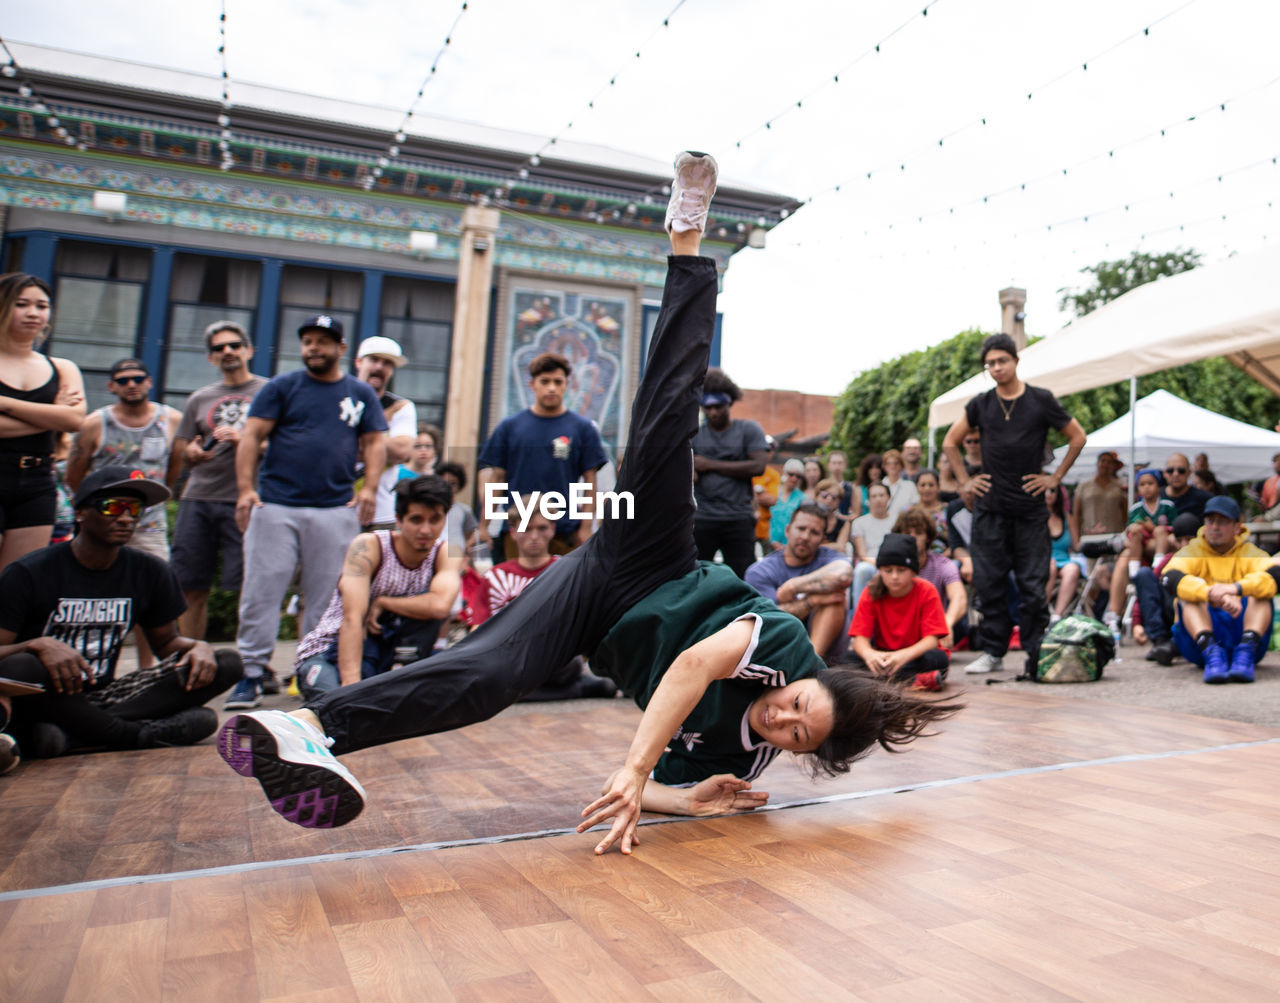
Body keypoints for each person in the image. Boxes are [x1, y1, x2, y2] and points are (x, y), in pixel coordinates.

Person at [216, 152, 960, 854]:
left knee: (487, 680)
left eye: (796, 735)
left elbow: (646, 787)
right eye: (800, 704)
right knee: (666, 425)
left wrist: (686, 799)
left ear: (797, 755)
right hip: (650, 554)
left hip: (594, 609)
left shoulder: (747, 752)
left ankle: (311, 724)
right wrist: (639, 770)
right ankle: (688, 240)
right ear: (809, 679)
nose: (784, 716)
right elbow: (696, 664)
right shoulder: (785, 655)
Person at [0, 466, 242, 759]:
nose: (126, 518)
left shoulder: (150, 570)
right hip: (48, 697)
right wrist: (37, 645)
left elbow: (166, 644)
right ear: (81, 513)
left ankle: (75, 736)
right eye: (113, 507)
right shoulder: (28, 572)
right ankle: (134, 734)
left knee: (225, 662)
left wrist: (199, 647)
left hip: (109, 695)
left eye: (134, 509)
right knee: (21, 666)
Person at [227, 314, 387, 709]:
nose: (314, 347)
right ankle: (250, 673)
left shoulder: (360, 392)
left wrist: (368, 489)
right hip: (276, 504)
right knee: (262, 590)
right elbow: (252, 436)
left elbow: (375, 443)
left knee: (325, 596)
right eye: (308, 340)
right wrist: (246, 490)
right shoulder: (283, 387)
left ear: (341, 348)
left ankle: (309, 671)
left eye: (323, 341)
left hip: (334, 507)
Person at [943, 333, 1087, 676]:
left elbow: (1077, 437)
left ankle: (1035, 652)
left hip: (1029, 509)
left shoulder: (1040, 400)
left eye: (1001, 361)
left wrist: (1054, 478)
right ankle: (993, 651)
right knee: (990, 583)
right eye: (990, 363)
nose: (996, 368)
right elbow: (950, 442)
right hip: (991, 509)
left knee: (1033, 585)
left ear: (1015, 361)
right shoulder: (981, 403)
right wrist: (965, 482)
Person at [293, 475, 462, 699]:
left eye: (435, 520)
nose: (425, 530)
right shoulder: (368, 546)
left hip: (392, 655)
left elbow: (440, 606)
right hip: (332, 651)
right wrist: (350, 690)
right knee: (335, 705)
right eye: (416, 519)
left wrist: (384, 602)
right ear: (399, 520)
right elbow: (352, 618)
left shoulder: (446, 553)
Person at [66, 358, 184, 668]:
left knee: (153, 594)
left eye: (137, 378)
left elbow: (174, 469)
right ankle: (86, 663)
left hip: (149, 526)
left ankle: (146, 669)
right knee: (89, 592)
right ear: (111, 387)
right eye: (122, 380)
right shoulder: (96, 422)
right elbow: (76, 475)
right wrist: (95, 512)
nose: (130, 384)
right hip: (101, 523)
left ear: (149, 382)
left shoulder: (170, 419)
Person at [170, 321, 268, 640]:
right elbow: (183, 446)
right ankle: (188, 660)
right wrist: (193, 452)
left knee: (252, 587)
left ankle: (254, 665)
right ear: (211, 358)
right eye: (218, 348)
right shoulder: (199, 398)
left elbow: (287, 444)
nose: (227, 351)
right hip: (198, 498)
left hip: (249, 500)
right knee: (190, 585)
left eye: (234, 345)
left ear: (249, 350)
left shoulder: (269, 392)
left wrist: (246, 441)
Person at [469, 497, 618, 701]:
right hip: (509, 660)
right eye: (527, 528)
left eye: (541, 528)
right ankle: (576, 691)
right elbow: (478, 628)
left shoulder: (569, 571)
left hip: (555, 659)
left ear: (552, 529)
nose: (534, 536)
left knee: (569, 665)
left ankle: (515, 695)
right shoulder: (494, 577)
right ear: (512, 531)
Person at [477, 351, 607, 558]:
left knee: (566, 590)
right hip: (517, 531)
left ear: (567, 384)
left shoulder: (583, 429)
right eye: (545, 381)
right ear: (533, 384)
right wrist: (483, 525)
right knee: (516, 590)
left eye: (558, 381)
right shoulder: (509, 427)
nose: (552, 387)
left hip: (564, 532)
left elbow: (590, 483)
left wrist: (585, 527)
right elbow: (496, 480)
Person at [0, 274, 86, 571]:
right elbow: (62, 418)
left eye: (42, 305)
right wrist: (50, 415)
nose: (34, 313)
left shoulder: (62, 368)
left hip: (37, 480)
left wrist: (6, 404)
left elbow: (75, 419)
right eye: (21, 304)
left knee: (18, 581)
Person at [1163, 495, 1276, 684]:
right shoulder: (1193, 550)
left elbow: (1275, 575)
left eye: (1222, 522)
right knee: (1189, 595)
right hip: (1199, 645)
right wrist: (1210, 593)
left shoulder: (1250, 552)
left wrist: (1235, 589)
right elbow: (1169, 577)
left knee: (1262, 592)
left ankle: (1245, 650)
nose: (1214, 527)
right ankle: (1211, 652)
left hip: (1246, 638)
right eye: (1210, 521)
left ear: (1236, 527)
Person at [745, 503, 853, 658]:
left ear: (822, 539)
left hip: (826, 650)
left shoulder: (828, 557)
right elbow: (766, 618)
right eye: (801, 529)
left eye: (814, 532)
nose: (805, 537)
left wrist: (793, 586)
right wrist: (813, 600)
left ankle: (813, 664)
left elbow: (843, 576)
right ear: (788, 530)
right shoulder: (760, 571)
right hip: (776, 648)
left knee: (834, 599)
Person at [844, 533, 950, 692]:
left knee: (937, 660)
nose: (894, 576)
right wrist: (870, 655)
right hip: (883, 656)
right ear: (880, 570)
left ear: (913, 571)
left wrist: (903, 655)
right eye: (888, 570)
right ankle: (915, 680)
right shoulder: (871, 592)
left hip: (914, 656)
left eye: (901, 570)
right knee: (847, 660)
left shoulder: (927, 590)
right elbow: (860, 639)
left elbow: (932, 641)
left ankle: (882, 681)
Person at [690, 367, 769, 577]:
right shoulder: (695, 435)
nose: (713, 412)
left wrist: (709, 464)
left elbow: (758, 466)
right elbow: (689, 473)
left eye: (718, 406)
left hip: (738, 518)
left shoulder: (748, 430)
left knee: (744, 578)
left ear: (729, 403)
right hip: (703, 518)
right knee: (695, 578)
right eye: (707, 407)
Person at [355, 336, 419, 529]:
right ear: (359, 362)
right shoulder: (338, 397)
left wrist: (352, 439)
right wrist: (381, 448)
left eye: (388, 363)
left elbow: (401, 451)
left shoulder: (401, 407)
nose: (380, 367)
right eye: (374, 359)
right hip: (335, 507)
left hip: (380, 512)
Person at [1133, 512, 1200, 666]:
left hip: (1190, 616)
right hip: (1168, 614)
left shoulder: (1205, 560)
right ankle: (1160, 641)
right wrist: (1137, 623)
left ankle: (1178, 643)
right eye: (1179, 540)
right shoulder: (1169, 560)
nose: (1184, 545)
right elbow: (1145, 592)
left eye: (1189, 540)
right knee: (1144, 574)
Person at [896, 507, 967, 650]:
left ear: (928, 537)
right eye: (907, 533)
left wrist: (947, 622)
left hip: (935, 626)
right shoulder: (892, 568)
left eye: (918, 533)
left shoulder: (942, 564)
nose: (912, 537)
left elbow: (959, 597)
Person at [1046, 484, 1084, 623]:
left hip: (1064, 559)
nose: (1048, 494)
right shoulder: (1034, 518)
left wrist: (1089, 534)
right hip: (1043, 560)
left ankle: (1057, 616)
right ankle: (1041, 610)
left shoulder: (1067, 517)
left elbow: (1076, 545)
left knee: (1073, 569)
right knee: (1051, 566)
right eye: (1045, 491)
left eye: (1052, 490)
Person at [767, 457, 807, 549]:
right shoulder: (773, 492)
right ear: (784, 473)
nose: (794, 478)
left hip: (790, 546)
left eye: (798, 476)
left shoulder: (803, 498)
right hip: (768, 543)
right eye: (791, 474)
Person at [1162, 452, 1211, 520]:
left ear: (1189, 472)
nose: (1175, 474)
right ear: (1164, 473)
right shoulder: (1155, 496)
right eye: (1170, 470)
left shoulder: (1205, 499)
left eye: (1181, 470)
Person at [813, 478, 851, 552]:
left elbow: (840, 547)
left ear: (839, 501)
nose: (829, 499)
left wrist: (816, 546)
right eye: (824, 495)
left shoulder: (844, 523)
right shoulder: (808, 519)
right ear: (816, 496)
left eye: (834, 497)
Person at [880, 448, 919, 518]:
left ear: (901, 466)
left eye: (896, 463)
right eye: (888, 463)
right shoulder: (878, 486)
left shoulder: (910, 486)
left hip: (903, 524)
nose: (892, 466)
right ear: (884, 467)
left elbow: (915, 506)